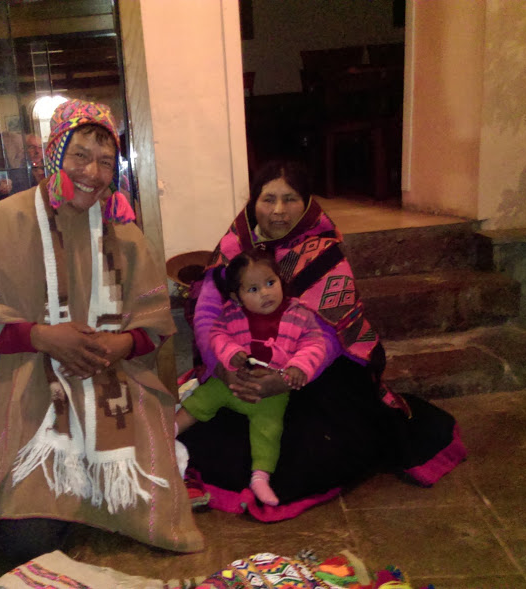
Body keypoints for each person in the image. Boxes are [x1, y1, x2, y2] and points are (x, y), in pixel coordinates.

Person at [0, 99, 202, 563]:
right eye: (79, 155)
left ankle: (86, 501)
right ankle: (67, 503)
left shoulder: (125, 234)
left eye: (104, 160)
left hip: (113, 387)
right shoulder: (2, 222)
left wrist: (119, 345)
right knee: (24, 549)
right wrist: (40, 337)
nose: (92, 172)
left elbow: (154, 325)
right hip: (31, 389)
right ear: (53, 154)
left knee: (152, 521)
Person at [178, 160, 467, 520]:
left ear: (308, 203)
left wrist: (285, 379)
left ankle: (265, 477)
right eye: (268, 199)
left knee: (312, 445)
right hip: (240, 366)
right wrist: (224, 370)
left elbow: (332, 332)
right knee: (208, 431)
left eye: (290, 199)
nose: (279, 211)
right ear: (253, 202)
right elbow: (207, 317)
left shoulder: (322, 251)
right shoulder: (235, 247)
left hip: (310, 369)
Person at [175, 248, 328, 506]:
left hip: (271, 391)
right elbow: (217, 335)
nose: (265, 293)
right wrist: (230, 353)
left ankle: (260, 477)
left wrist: (299, 367)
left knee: (268, 430)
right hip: (233, 382)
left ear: (282, 281)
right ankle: (170, 430)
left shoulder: (299, 314)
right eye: (253, 289)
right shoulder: (232, 315)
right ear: (237, 297)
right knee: (200, 401)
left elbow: (315, 343)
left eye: (270, 283)